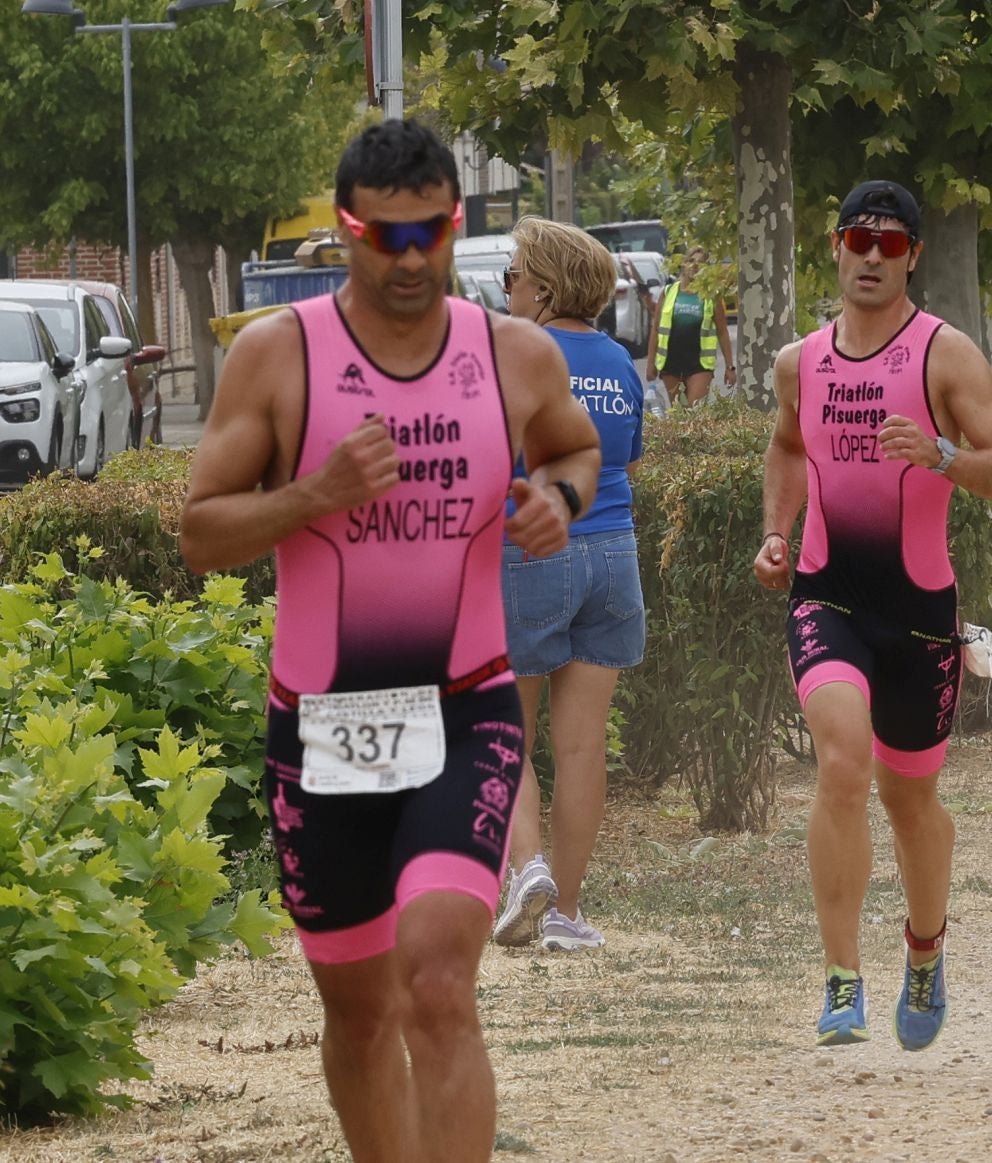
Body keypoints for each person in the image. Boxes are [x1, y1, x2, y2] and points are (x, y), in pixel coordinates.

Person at [179, 121, 602, 1162]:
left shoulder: (513, 353)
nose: (411, 260)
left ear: (458, 225)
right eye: (385, 238)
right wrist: (314, 494)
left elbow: (576, 449)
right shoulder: (280, 355)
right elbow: (199, 533)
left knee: (438, 982)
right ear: (346, 229)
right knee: (361, 1012)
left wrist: (555, 495)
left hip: (465, 704)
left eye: (432, 235)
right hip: (326, 723)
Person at [753, 180, 992, 1049]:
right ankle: (841, 978)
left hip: (918, 612)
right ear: (834, 247)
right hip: (828, 596)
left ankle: (924, 947)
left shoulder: (945, 356)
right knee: (840, 763)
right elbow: (789, 446)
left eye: (890, 243)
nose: (872, 256)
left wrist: (942, 454)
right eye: (857, 239)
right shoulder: (801, 360)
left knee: (912, 802)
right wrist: (774, 533)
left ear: (913, 255)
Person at [491, 216, 648, 954]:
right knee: (582, 747)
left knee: (507, 733)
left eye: (513, 274)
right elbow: (627, 460)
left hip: (532, 551)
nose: (507, 287)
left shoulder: (522, 354)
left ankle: (528, 871)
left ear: (544, 291)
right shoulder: (619, 363)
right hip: (616, 553)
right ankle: (567, 914)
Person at [646, 246, 736, 406]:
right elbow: (656, 329)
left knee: (695, 412)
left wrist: (730, 367)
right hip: (671, 364)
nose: (695, 266)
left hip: (699, 365)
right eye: (691, 261)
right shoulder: (668, 292)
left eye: (701, 263)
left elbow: (722, 332)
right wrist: (650, 363)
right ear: (684, 264)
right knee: (679, 417)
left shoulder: (711, 296)